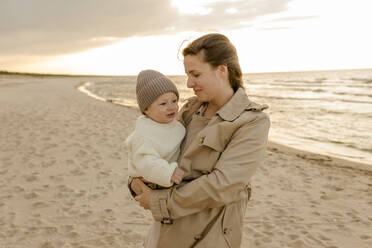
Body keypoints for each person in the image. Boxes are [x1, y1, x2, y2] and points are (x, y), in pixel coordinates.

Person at [130, 33, 270, 248]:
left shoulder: (252, 121)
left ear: (221, 70)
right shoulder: (189, 109)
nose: (188, 83)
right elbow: (154, 148)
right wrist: (135, 181)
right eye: (187, 74)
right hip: (164, 232)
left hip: (206, 237)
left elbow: (223, 185)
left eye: (195, 74)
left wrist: (158, 201)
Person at [125, 69, 186, 191]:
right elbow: (146, 162)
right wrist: (168, 173)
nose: (172, 107)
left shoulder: (176, 124)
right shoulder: (144, 133)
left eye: (174, 101)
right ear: (146, 109)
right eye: (163, 103)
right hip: (152, 180)